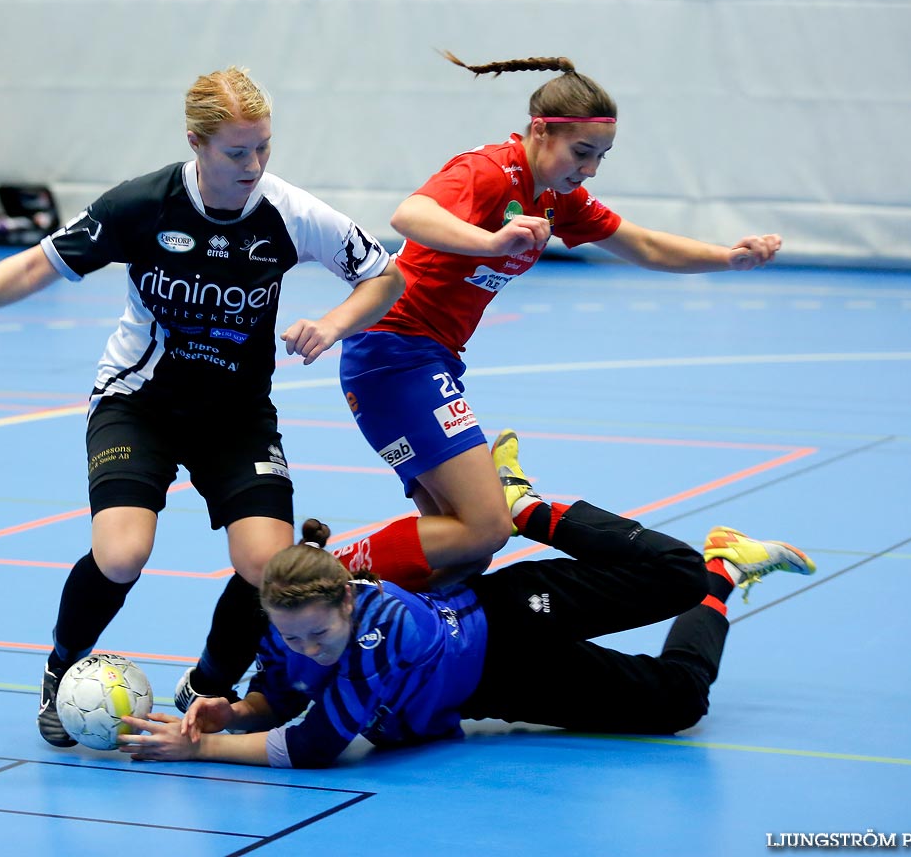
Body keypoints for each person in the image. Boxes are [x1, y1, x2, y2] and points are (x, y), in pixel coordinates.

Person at [0, 67, 405, 748]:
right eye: (237, 152)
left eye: (264, 147)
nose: (254, 164)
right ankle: (60, 670)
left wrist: (332, 324)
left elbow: (385, 275)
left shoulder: (291, 214)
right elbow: (39, 264)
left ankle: (207, 685)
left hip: (236, 415)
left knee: (267, 569)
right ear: (197, 144)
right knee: (121, 553)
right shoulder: (142, 205)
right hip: (138, 402)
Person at [330, 52, 784, 590]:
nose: (589, 169)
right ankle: (311, 578)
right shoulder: (488, 171)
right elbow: (410, 216)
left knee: (460, 555)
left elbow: (642, 244)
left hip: (431, 358)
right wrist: (491, 240)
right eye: (582, 152)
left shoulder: (554, 197)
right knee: (485, 528)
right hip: (392, 352)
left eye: (601, 157)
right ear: (541, 131)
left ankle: (374, 643)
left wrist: (727, 258)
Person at [118, 434, 815, 768]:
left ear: (348, 607)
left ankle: (527, 505)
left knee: (672, 573)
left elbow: (311, 745)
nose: (304, 649)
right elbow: (282, 695)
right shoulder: (289, 632)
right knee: (679, 704)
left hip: (511, 614)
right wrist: (236, 708)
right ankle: (727, 569)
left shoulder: (378, 635)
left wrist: (204, 746)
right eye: (291, 637)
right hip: (502, 685)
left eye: (316, 636)